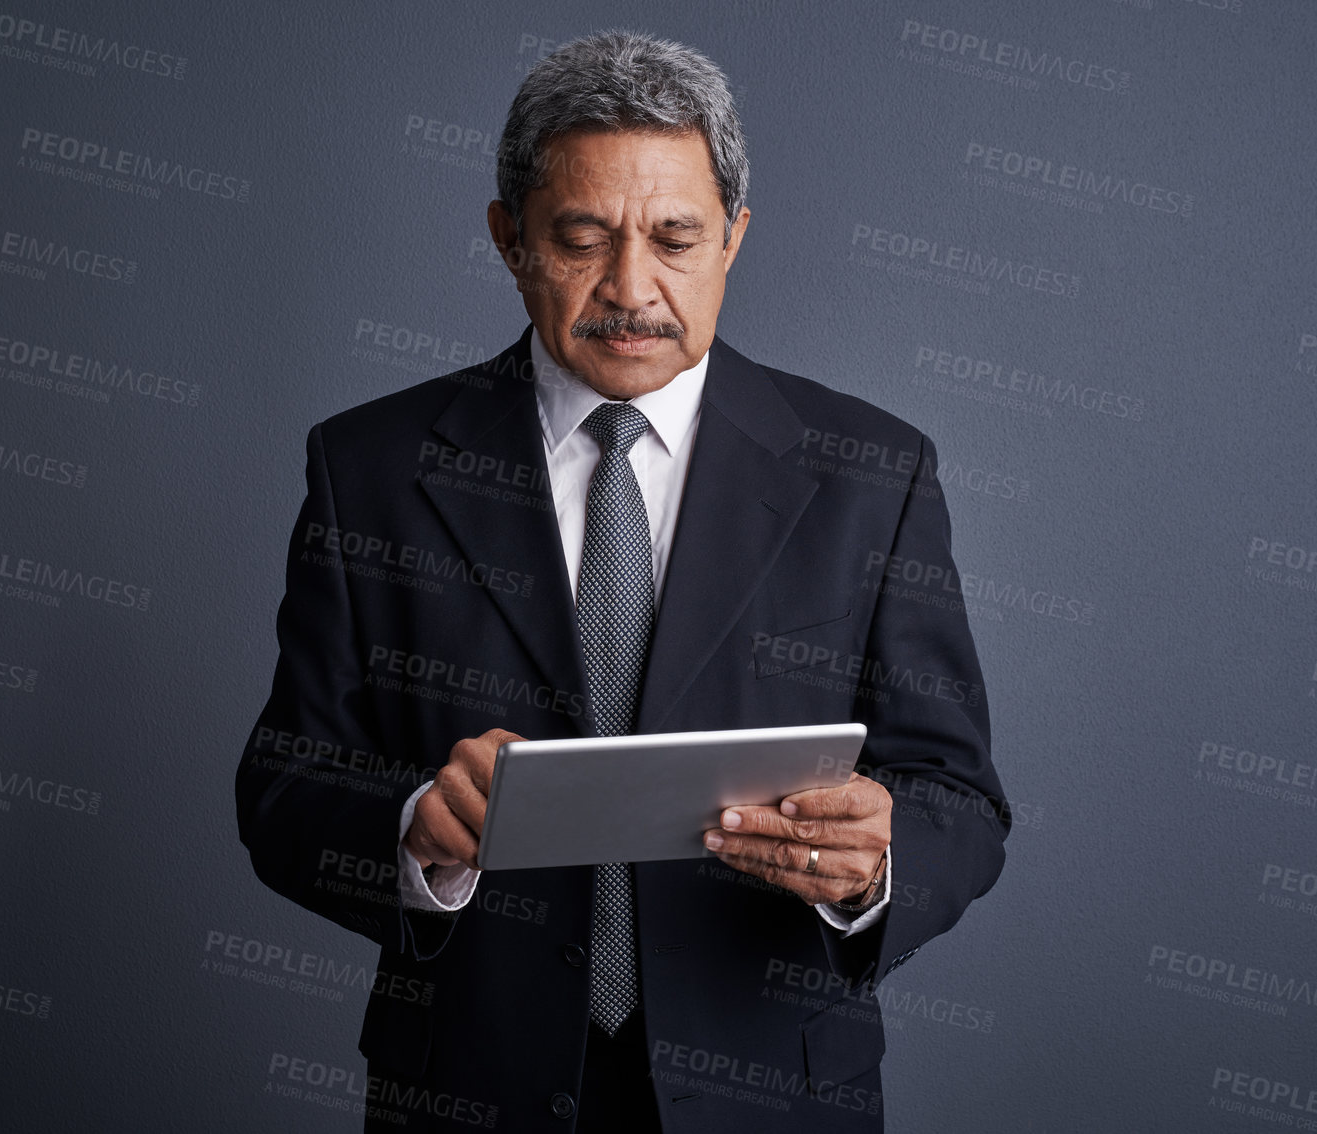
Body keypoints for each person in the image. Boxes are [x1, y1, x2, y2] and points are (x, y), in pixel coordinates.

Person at [237, 29, 1007, 1133]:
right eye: (583, 237)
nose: (631, 288)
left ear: (735, 238)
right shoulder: (370, 469)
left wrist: (877, 863)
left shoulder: (873, 473)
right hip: (467, 1089)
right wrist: (417, 829)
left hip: (769, 1094)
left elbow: (961, 796)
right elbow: (282, 789)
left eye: (677, 239)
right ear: (509, 239)